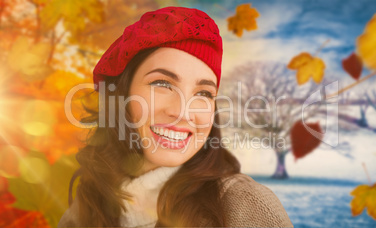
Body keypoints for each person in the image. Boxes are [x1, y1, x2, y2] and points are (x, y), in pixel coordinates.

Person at [58, 6, 293, 227]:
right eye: (162, 83)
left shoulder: (245, 205)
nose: (182, 112)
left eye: (203, 93)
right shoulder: (82, 211)